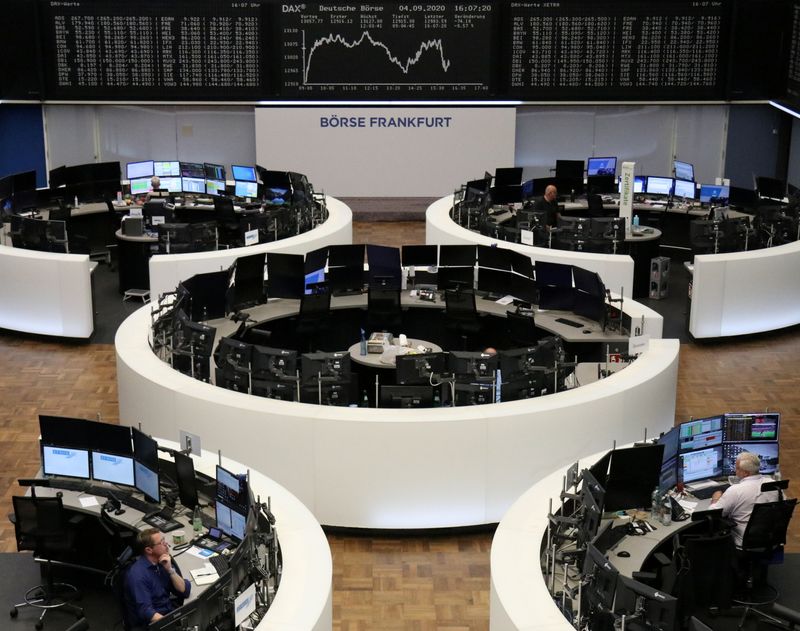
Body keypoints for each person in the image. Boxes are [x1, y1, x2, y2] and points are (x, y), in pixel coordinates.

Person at [124, 528, 191, 628]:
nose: (166, 544)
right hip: (154, 623)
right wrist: (172, 625)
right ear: (149, 550)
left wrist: (170, 570)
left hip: (168, 611)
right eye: (161, 542)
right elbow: (147, 612)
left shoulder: (163, 561)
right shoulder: (138, 576)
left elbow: (184, 590)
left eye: (164, 540)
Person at [710, 451, 778, 547]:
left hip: (743, 541)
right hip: (770, 539)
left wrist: (715, 499)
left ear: (745, 473)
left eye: (737, 468)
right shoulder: (774, 485)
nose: (734, 470)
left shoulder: (735, 490)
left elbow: (713, 513)